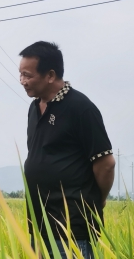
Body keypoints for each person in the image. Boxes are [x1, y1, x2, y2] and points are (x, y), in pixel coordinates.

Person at [19, 41, 116, 258]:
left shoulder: (81, 108)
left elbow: (106, 164)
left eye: (27, 75)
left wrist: (97, 199)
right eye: (21, 74)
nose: (22, 81)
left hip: (71, 228)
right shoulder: (34, 108)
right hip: (39, 224)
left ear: (50, 75)